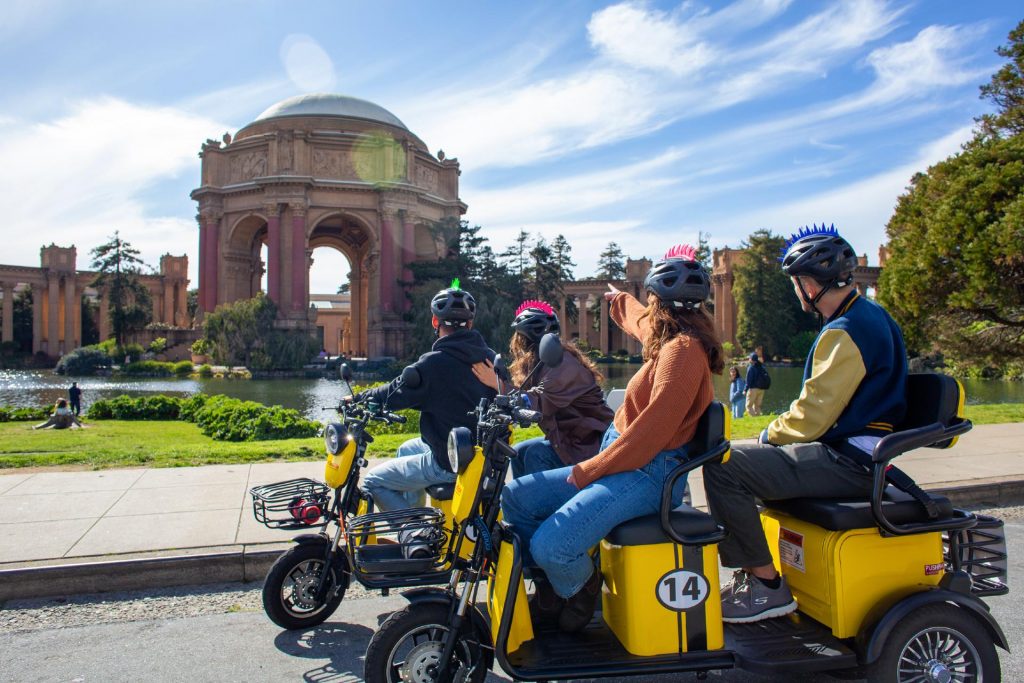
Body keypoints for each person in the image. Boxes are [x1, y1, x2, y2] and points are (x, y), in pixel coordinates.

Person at [501, 244, 723, 632]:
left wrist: (590, 469)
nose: (647, 306)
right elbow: (641, 323)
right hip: (627, 462)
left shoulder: (683, 353)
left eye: (649, 299)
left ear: (661, 303)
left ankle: (579, 586)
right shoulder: (671, 337)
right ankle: (555, 585)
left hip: (649, 474)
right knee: (515, 497)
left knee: (550, 546)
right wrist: (619, 300)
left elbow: (649, 435)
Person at [704, 224, 907, 624]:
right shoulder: (870, 317)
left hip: (849, 462)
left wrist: (766, 435)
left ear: (811, 283)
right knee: (745, 462)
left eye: (797, 282)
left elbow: (813, 415)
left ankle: (765, 586)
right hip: (859, 456)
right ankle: (767, 573)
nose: (796, 291)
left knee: (723, 465)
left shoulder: (847, 331)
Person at [358, 283, 497, 511]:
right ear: (470, 324)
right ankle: (422, 519)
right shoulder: (490, 358)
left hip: (449, 462)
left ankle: (416, 534)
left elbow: (394, 392)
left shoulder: (434, 363)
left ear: (435, 321)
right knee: (405, 449)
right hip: (479, 456)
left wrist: (360, 398)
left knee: (374, 482)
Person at [472, 300, 613, 478]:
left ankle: (540, 504)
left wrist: (497, 383)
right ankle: (523, 501)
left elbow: (537, 400)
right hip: (570, 439)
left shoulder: (563, 363)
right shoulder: (544, 361)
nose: (517, 343)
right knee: (518, 452)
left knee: (535, 455)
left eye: (520, 337)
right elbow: (529, 393)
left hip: (588, 444)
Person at [745, 351, 768, 416]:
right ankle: (758, 418)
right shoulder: (762, 366)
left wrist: (745, 389)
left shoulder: (751, 367)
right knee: (757, 406)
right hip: (762, 389)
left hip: (753, 389)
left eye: (749, 358)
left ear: (751, 359)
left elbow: (748, 380)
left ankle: (754, 418)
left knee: (748, 406)